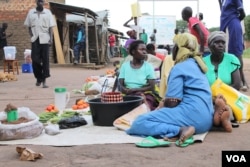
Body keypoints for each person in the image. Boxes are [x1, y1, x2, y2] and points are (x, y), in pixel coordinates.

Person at [126, 33, 214, 144]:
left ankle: (180, 130)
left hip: (194, 118)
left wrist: (161, 106)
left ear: (178, 48)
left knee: (140, 122)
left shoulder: (179, 68)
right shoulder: (199, 65)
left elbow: (173, 103)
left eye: (174, 46)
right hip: (207, 120)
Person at [118, 40, 161, 111]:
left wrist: (136, 90)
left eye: (145, 50)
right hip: (128, 95)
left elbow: (152, 87)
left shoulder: (148, 66)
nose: (145, 52)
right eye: (141, 49)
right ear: (133, 52)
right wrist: (124, 90)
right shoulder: (125, 66)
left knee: (143, 107)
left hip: (145, 94)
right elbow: (120, 84)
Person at [24, 0, 56, 88]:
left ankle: (44, 81)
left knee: (45, 60)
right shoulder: (31, 12)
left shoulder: (48, 13)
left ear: (44, 3)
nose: (40, 3)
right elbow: (29, 27)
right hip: (35, 39)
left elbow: (50, 28)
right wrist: (32, 36)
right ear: (36, 2)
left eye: (42, 1)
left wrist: (51, 39)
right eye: (39, 1)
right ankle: (39, 77)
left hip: (45, 39)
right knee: (35, 60)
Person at [219, 0, 248, 91]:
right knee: (226, 53)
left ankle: (242, 81)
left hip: (233, 25)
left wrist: (234, 20)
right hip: (225, 26)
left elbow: (242, 13)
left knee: (236, 52)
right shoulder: (224, 1)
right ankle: (233, 80)